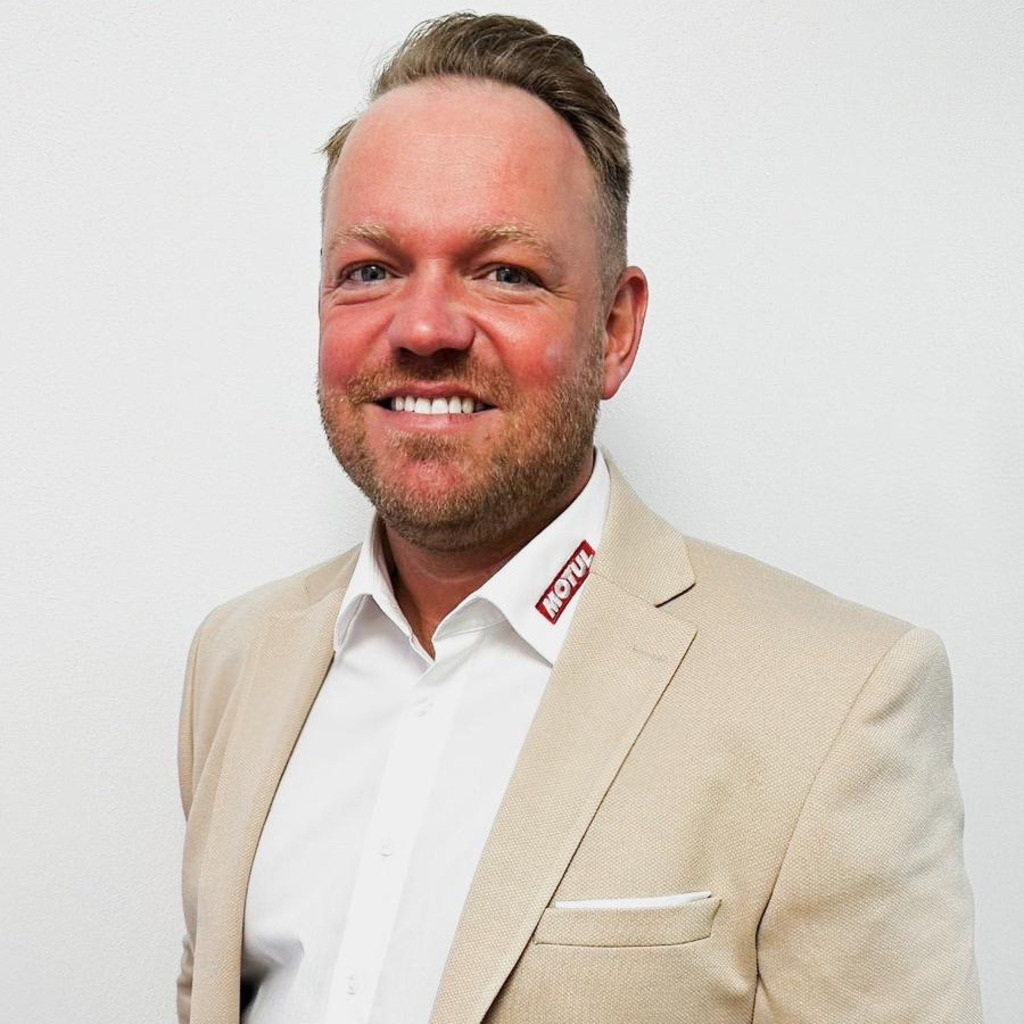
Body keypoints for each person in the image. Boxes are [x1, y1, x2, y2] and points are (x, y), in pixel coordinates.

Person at [176, 12, 982, 1024]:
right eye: (370, 270)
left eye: (504, 272)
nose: (424, 327)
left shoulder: (838, 702)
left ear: (615, 328)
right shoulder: (235, 661)